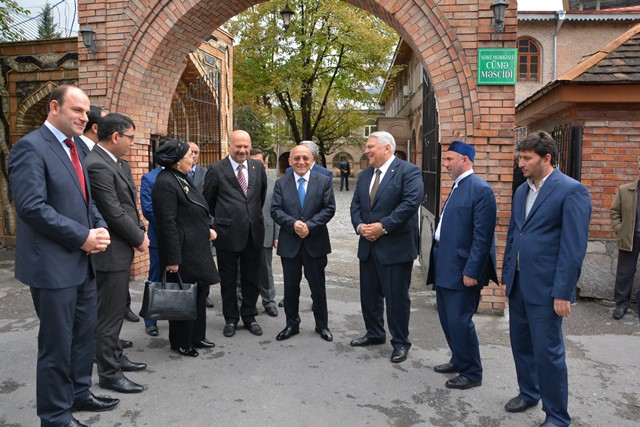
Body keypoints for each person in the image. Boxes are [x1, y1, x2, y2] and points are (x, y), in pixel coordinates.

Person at [8, 84, 119, 427]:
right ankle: (55, 415)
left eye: (86, 111)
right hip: (52, 267)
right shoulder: (30, 147)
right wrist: (82, 236)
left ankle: (79, 393)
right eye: (77, 110)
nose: (85, 117)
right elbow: (31, 207)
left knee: (83, 336)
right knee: (57, 344)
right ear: (54, 108)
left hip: (83, 263)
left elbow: (87, 202)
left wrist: (99, 228)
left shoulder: (76, 148)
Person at [502, 131, 591, 427]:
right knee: (521, 345)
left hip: (547, 289)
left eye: (527, 158)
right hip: (518, 285)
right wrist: (507, 275)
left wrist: (564, 291)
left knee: (548, 353)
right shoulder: (521, 190)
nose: (521, 163)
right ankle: (529, 393)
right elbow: (514, 234)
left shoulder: (571, 190)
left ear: (547, 158)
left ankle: (557, 416)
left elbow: (573, 247)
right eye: (520, 157)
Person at [84, 113, 149, 394]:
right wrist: (139, 238)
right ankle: (109, 373)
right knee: (108, 316)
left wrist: (140, 227)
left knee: (115, 311)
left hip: (121, 249)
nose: (132, 143)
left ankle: (116, 357)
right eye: (130, 137)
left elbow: (129, 205)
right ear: (115, 136)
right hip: (109, 253)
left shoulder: (116, 162)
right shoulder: (97, 165)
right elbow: (113, 211)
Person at [426, 141, 497, 390]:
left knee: (460, 321)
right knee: (447, 319)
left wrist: (472, 270)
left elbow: (482, 237)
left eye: (449, 159)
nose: (445, 164)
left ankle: (472, 372)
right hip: (445, 264)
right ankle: (458, 359)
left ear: (465, 160)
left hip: (462, 269)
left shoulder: (480, 189)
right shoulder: (458, 186)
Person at [349, 131, 423, 363]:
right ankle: (374, 333)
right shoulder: (365, 175)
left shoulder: (408, 172)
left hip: (395, 247)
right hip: (368, 246)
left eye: (370, 146)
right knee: (369, 295)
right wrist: (360, 226)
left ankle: (400, 342)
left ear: (387, 148)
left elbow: (410, 203)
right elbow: (355, 205)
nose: (366, 151)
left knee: (396, 299)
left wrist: (383, 227)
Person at [152, 139, 220, 357]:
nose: (193, 159)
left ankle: (197, 336)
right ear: (176, 161)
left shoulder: (180, 177)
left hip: (195, 250)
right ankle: (181, 342)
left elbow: (195, 211)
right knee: (183, 298)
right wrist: (172, 259)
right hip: (182, 253)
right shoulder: (165, 182)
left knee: (199, 295)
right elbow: (167, 223)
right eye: (189, 156)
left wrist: (207, 227)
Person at [203, 130, 267, 338]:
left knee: (252, 278)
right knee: (228, 280)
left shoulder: (258, 167)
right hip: (227, 235)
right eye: (238, 146)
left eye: (246, 146)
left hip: (253, 233)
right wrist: (219, 223)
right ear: (229, 146)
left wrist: (250, 218)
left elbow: (259, 198)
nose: (242, 150)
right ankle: (230, 319)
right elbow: (208, 202)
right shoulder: (216, 169)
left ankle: (249, 316)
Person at [271, 144, 336, 342]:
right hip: (290, 244)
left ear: (312, 160)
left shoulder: (323, 181)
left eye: (305, 158)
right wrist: (293, 224)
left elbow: (329, 208)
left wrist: (309, 225)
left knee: (318, 288)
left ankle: (322, 325)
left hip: (315, 243)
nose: (301, 162)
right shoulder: (281, 183)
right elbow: (275, 210)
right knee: (290, 288)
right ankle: (292, 324)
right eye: (297, 158)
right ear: (290, 161)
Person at [250, 148, 280, 317]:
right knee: (243, 271)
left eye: (259, 162)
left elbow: (277, 211)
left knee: (265, 270)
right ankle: (246, 302)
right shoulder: (241, 180)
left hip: (266, 232)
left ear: (265, 163)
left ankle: (269, 301)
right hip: (245, 233)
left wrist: (277, 236)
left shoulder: (274, 184)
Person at [609, 168, 640, 320]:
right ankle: (621, 304)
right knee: (625, 272)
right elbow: (614, 212)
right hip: (630, 237)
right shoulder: (625, 190)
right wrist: (620, 229)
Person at [188, 141, 215, 309]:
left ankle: (205, 295)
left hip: (203, 225)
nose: (193, 155)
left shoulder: (205, 173)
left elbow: (211, 200)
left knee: (205, 261)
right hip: (185, 226)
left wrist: (210, 225)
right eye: (190, 151)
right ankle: (189, 294)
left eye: (196, 152)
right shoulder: (177, 173)